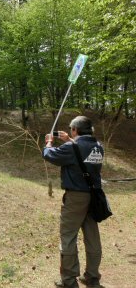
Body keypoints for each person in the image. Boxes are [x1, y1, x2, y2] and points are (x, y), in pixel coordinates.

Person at [42, 116, 104, 288]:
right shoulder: (99, 147)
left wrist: (49, 142)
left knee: (68, 237)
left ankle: (69, 281)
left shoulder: (71, 147)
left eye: (71, 129)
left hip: (75, 198)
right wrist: (69, 140)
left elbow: (49, 155)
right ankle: (92, 278)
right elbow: (81, 154)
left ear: (75, 130)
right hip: (94, 197)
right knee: (92, 237)